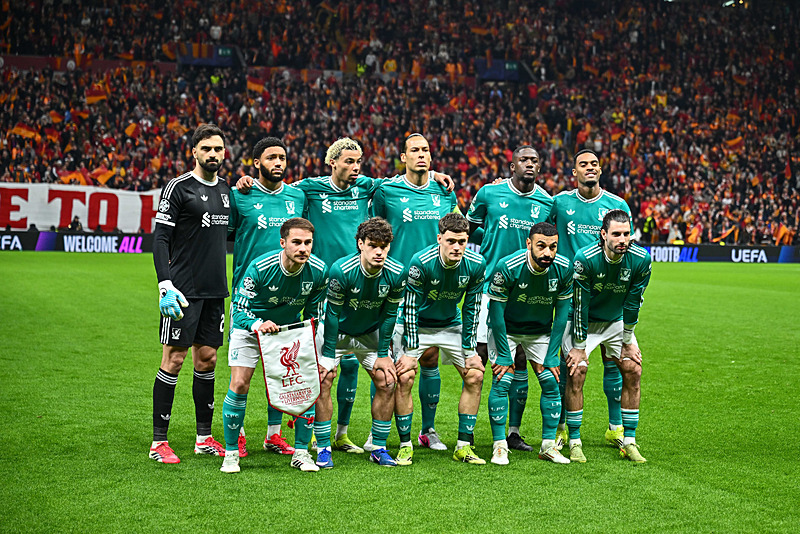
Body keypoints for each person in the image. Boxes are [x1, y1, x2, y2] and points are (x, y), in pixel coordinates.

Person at [235, 137, 453, 454]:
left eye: (358, 162)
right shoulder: (308, 189)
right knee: (314, 365)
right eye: (349, 161)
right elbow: (278, 190)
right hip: (321, 285)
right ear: (332, 162)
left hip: (359, 283)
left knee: (350, 365)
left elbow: (402, 179)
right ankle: (308, 433)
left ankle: (342, 433)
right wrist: (249, 181)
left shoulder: (366, 187)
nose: (355, 167)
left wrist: (432, 175)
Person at [370, 133, 458, 451]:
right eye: (414, 150)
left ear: (431, 158)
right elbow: (375, 231)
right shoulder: (387, 191)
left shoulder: (444, 191)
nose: (421, 154)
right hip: (395, 288)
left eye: (425, 150)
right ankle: (376, 432)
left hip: (435, 289)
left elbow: (457, 229)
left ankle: (428, 430)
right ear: (403, 157)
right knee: (387, 363)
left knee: (430, 357)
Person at [220, 217, 328, 473]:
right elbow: (239, 308)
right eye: (296, 242)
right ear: (283, 243)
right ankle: (231, 454)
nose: (303, 248)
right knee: (240, 383)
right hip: (249, 328)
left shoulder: (319, 270)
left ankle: (301, 453)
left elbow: (313, 314)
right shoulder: (260, 267)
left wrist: (312, 348)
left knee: (303, 384)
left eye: (308, 243)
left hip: (287, 331)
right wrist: (258, 324)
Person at [149, 123, 229, 464]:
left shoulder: (226, 189)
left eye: (218, 149)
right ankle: (158, 442)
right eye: (206, 148)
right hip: (183, 291)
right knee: (174, 359)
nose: (213, 154)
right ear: (194, 151)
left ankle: (203, 438)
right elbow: (160, 238)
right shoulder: (178, 187)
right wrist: (165, 285)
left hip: (215, 291)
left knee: (207, 359)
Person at [466, 145, 553, 452]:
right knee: (479, 359)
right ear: (512, 165)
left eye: (534, 160)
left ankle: (513, 432)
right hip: (489, 288)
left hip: (525, 294)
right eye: (524, 160)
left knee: (519, 359)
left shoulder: (547, 202)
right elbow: (469, 229)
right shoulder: (489, 193)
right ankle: (468, 431)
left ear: (539, 167)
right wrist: (490, 237)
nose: (529, 164)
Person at [546, 149, 633, 451]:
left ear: (600, 169)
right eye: (583, 164)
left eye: (594, 163)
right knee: (568, 365)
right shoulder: (559, 202)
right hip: (570, 295)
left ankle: (615, 427)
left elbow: (626, 246)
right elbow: (542, 231)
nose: (590, 168)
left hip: (608, 294)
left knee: (614, 362)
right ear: (575, 172)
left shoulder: (617, 205)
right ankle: (561, 428)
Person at [228, 137, 307, 457]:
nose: (278, 162)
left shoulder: (297, 195)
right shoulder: (239, 196)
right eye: (271, 157)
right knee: (241, 378)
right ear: (257, 162)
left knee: (281, 373)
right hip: (249, 297)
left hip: (287, 299)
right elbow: (225, 234)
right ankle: (237, 433)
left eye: (282, 157)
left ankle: (274, 435)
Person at [395, 213, 486, 465]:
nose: (457, 247)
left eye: (462, 241)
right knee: (404, 375)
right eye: (451, 241)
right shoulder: (420, 262)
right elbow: (410, 307)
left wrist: (470, 350)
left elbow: (473, 308)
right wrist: (410, 351)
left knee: (475, 375)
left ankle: (463, 446)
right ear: (439, 239)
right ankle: (405, 445)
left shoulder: (476, 264)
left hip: (450, 324)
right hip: (416, 324)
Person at [562, 209, 652, 463]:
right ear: (603, 234)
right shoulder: (585, 259)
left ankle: (629, 440)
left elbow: (633, 303)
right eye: (616, 234)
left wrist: (627, 341)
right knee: (577, 371)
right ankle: (575, 441)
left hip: (615, 321)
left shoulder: (641, 259)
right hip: (582, 320)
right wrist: (579, 347)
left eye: (626, 234)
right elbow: (580, 305)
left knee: (633, 369)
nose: (623, 240)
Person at [317, 217, 407, 468]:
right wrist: (328, 354)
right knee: (324, 380)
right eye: (373, 245)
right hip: (337, 332)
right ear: (360, 244)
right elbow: (332, 314)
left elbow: (390, 315)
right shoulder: (341, 270)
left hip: (369, 333)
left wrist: (383, 354)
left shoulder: (397, 272)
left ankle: (377, 447)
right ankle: (323, 447)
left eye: (384, 246)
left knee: (387, 380)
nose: (379, 252)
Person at [485, 222, 572, 465]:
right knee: (502, 379)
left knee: (551, 380)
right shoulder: (507, 267)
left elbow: (561, 316)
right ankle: (499, 445)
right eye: (541, 246)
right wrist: (504, 354)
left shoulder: (564, 268)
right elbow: (496, 314)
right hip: (506, 330)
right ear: (528, 244)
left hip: (539, 332)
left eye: (553, 247)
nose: (547, 253)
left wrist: (553, 354)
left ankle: (548, 446)